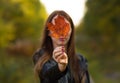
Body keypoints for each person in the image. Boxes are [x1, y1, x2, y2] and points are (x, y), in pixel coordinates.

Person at [33, 10, 90, 83]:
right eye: (56, 28)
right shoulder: (40, 56)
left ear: (71, 31)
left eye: (66, 27)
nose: (61, 33)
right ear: (48, 32)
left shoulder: (80, 60)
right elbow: (46, 77)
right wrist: (59, 68)